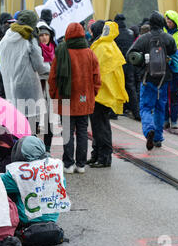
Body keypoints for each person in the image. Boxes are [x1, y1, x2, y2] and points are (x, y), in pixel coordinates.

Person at [49, 22, 101, 173]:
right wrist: (92, 93)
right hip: (84, 98)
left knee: (67, 131)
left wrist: (54, 94)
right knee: (83, 131)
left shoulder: (61, 52)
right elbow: (96, 77)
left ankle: (68, 164)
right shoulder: (89, 52)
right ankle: (81, 164)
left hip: (65, 99)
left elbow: (53, 78)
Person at [0, 136, 70, 246]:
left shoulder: (18, 174)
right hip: (52, 220)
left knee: (5, 193)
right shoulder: (55, 167)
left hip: (26, 222)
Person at [127, 11, 177, 150]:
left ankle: (149, 129)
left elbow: (130, 56)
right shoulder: (169, 38)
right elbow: (174, 55)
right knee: (160, 108)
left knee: (145, 107)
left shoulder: (143, 39)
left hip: (147, 78)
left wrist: (141, 63)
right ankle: (158, 138)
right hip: (164, 79)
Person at [0, 10, 51, 131]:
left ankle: (18, 148)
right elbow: (39, 65)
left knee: (17, 127)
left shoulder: (5, 38)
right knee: (30, 127)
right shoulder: (29, 38)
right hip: (27, 88)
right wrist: (51, 68)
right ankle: (29, 149)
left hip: (10, 86)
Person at [87, 21, 128, 167]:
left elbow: (94, 71)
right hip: (106, 93)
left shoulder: (101, 46)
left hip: (100, 93)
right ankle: (97, 154)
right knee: (101, 125)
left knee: (100, 127)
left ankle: (103, 158)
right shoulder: (111, 45)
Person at [114, 14, 140, 121]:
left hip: (118, 64)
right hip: (129, 64)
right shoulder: (130, 33)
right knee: (130, 87)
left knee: (115, 87)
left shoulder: (115, 34)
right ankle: (136, 112)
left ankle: (114, 111)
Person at [37, 21, 56, 153]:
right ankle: (35, 147)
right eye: (41, 35)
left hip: (51, 88)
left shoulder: (56, 49)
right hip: (37, 87)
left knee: (50, 119)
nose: (44, 37)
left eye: (46, 35)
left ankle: (47, 148)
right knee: (36, 119)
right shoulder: (35, 50)